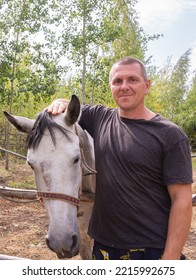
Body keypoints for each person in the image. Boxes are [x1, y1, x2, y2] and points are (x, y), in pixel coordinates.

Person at [47, 57, 193, 260]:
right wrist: (56, 103)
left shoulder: (170, 135)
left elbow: (182, 200)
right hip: (105, 247)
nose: (124, 87)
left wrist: (169, 261)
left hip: (150, 250)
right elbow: (67, 104)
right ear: (111, 87)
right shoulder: (100, 118)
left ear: (147, 86)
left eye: (132, 80)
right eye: (117, 81)